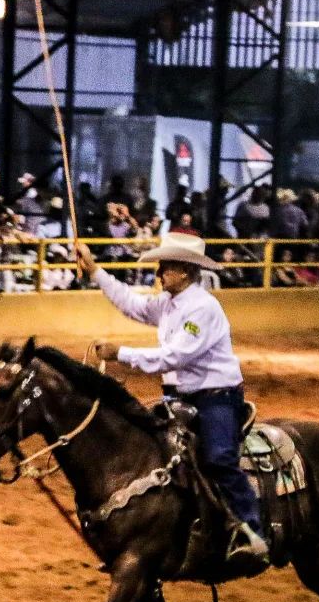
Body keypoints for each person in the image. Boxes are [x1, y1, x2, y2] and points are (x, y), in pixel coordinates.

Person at [76, 233, 269, 566]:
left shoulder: (202, 308)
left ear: (185, 271)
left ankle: (252, 530)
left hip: (215, 398)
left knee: (220, 458)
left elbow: (175, 356)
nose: (159, 272)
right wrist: (95, 272)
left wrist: (120, 352)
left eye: (166, 266)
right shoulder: (168, 303)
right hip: (180, 396)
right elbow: (131, 303)